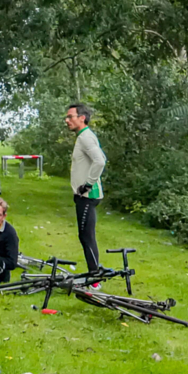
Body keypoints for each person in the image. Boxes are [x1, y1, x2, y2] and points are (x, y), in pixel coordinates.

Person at [65, 103, 107, 272]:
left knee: (86, 236)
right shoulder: (83, 136)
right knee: (85, 236)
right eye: (66, 118)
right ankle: (95, 271)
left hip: (88, 195)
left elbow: (100, 161)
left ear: (82, 118)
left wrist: (87, 185)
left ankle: (94, 277)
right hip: (83, 195)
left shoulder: (85, 137)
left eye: (70, 117)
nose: (67, 121)